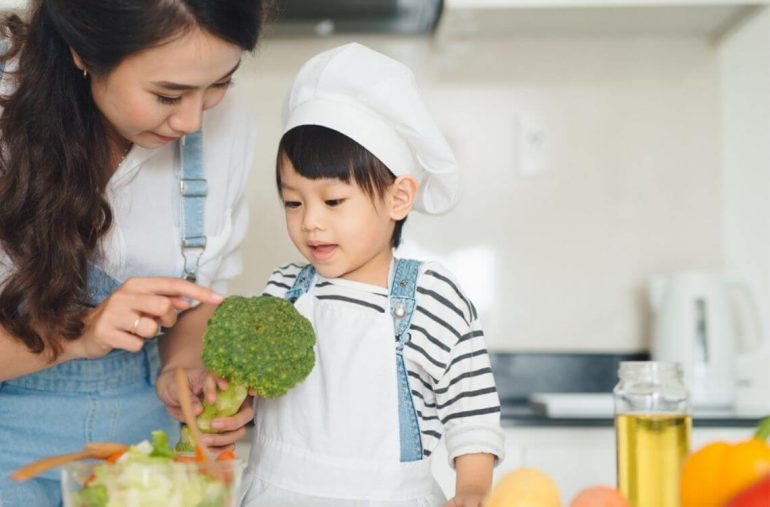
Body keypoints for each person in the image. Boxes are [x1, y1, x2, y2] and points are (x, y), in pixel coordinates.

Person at [0, 1, 264, 505]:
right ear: (85, 53)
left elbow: (202, 295)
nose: (191, 119)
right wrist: (77, 336)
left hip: (145, 448)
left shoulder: (228, 121)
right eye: (168, 95)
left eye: (220, 83)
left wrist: (185, 370)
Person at [240, 42, 505, 507]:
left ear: (398, 198)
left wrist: (473, 490)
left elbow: (471, 411)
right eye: (294, 202)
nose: (311, 222)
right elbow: (253, 394)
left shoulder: (429, 298)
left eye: (333, 201)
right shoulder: (283, 289)